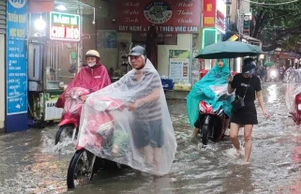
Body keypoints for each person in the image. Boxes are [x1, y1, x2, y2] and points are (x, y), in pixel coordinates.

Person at [77, 45, 177, 175]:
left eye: (136, 58)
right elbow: (114, 87)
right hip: (138, 119)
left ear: (144, 58)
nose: (133, 61)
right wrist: (92, 96)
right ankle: (148, 180)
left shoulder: (151, 75)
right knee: (144, 154)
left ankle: (156, 183)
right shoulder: (130, 76)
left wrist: (139, 102)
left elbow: (156, 94)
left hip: (153, 119)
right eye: (131, 58)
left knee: (155, 154)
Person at [227, 58, 270, 162]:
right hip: (237, 108)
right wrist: (229, 82)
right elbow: (229, 91)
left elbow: (259, 95)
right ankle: (238, 149)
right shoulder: (237, 77)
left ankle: (245, 161)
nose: (249, 75)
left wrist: (263, 109)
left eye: (251, 72)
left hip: (249, 108)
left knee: (247, 136)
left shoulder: (256, 79)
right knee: (232, 135)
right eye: (247, 73)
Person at [187, 59, 233, 140]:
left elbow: (231, 88)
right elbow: (204, 82)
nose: (220, 63)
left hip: (222, 99)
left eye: (222, 61)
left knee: (227, 110)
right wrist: (200, 88)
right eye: (218, 61)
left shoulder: (228, 74)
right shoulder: (212, 72)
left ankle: (225, 129)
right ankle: (195, 130)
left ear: (225, 63)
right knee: (201, 111)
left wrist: (229, 84)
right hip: (210, 97)